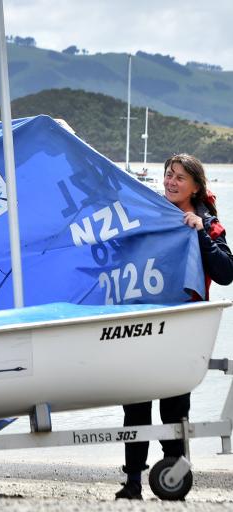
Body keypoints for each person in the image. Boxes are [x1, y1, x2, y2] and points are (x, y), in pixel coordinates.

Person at [115, 154, 233, 500]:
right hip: (141, 324)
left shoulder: (207, 223)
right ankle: (133, 482)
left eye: (180, 177)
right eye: (169, 174)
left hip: (180, 328)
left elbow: (227, 272)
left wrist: (200, 233)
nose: (171, 182)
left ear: (196, 186)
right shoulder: (150, 214)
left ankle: (174, 476)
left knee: (174, 407)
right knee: (135, 405)